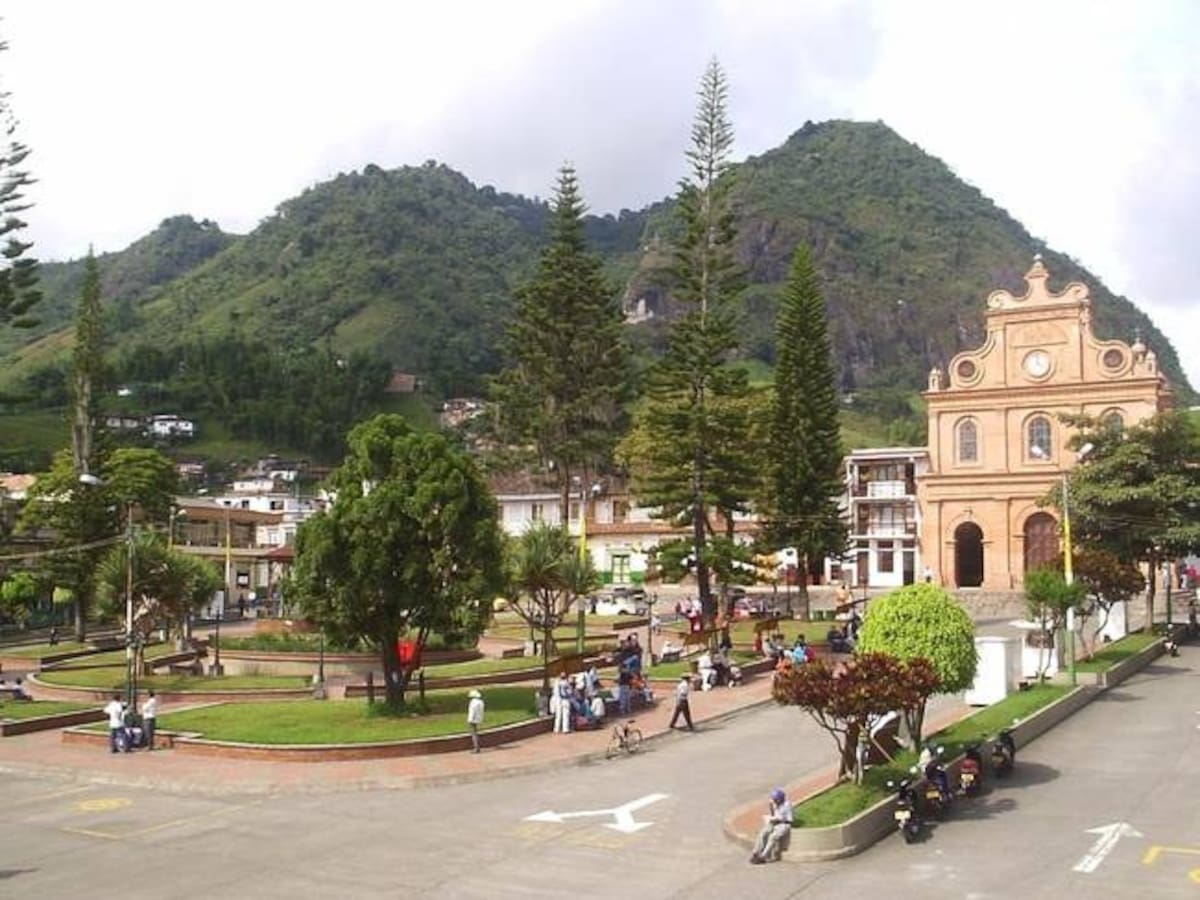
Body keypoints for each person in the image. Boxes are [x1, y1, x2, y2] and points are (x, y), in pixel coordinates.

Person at [749, 788, 793, 864]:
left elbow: (790, 820)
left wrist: (779, 819)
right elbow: (773, 814)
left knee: (773, 837)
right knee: (763, 833)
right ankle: (756, 852)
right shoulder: (773, 803)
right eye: (773, 798)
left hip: (784, 823)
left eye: (775, 799)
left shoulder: (787, 805)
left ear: (780, 799)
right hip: (774, 821)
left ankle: (763, 856)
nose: (774, 800)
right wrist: (770, 815)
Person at [466, 689, 485, 753]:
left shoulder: (473, 702)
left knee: (474, 733)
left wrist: (470, 719)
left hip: (473, 719)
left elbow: (472, 711)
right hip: (478, 719)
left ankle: (476, 748)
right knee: (475, 733)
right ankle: (477, 747)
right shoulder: (481, 702)